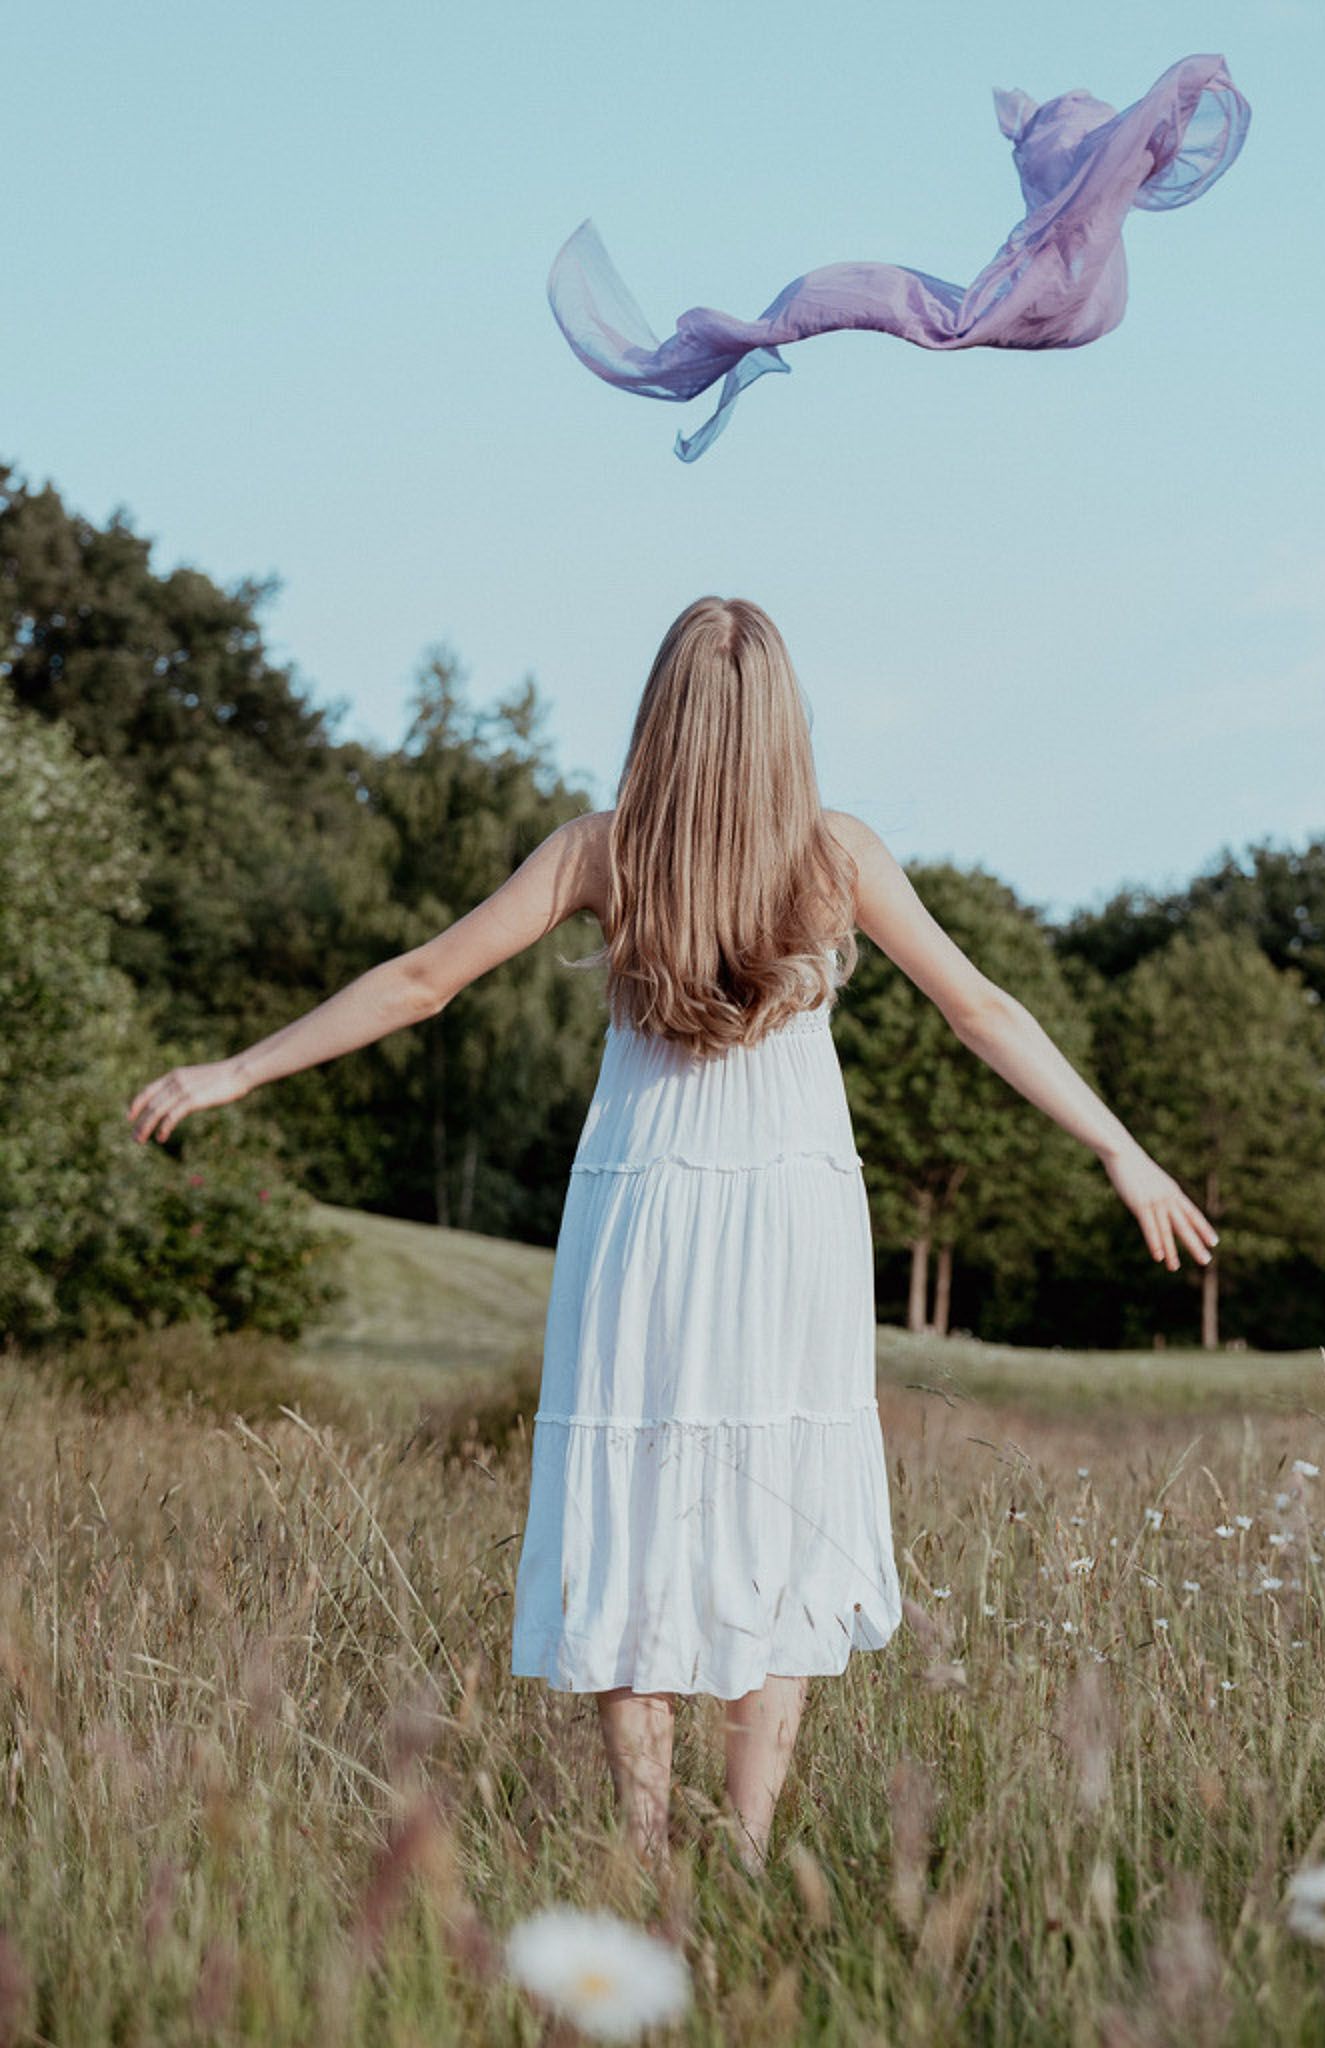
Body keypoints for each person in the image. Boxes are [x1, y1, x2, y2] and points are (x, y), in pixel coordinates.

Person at [127, 595, 1217, 1875]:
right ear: (780, 728)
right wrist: (1118, 1145)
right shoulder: (837, 854)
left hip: (647, 1211)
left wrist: (240, 1069)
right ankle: (748, 1854)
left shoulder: (604, 851)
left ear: (663, 717)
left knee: (635, 1499)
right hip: (791, 1226)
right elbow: (980, 1007)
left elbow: (423, 978)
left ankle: (645, 1843)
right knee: (778, 1502)